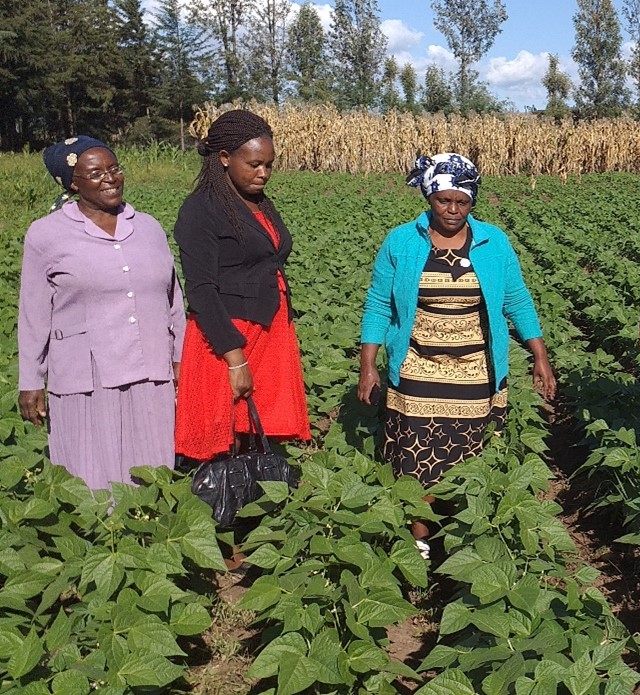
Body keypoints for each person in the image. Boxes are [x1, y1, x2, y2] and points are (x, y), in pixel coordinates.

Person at [358, 153, 556, 553]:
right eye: (443, 201)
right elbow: (379, 304)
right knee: (415, 458)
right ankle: (419, 545)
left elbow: (516, 300)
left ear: (473, 202)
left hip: (474, 369)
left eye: (462, 202)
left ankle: (462, 543)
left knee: (467, 458)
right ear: (428, 198)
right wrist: (368, 365)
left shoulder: (493, 242)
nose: (452, 210)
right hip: (416, 367)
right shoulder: (402, 241)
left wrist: (540, 355)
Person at [17, 137, 185, 489]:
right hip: (86, 374)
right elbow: (33, 314)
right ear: (73, 183)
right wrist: (31, 380)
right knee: (91, 468)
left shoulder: (149, 227)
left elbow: (173, 300)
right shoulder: (46, 235)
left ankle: (146, 534)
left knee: (152, 464)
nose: (110, 178)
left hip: (150, 369)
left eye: (114, 169)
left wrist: (181, 358)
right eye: (96, 173)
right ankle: (100, 538)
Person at [173, 109, 311, 462]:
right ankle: (223, 514)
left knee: (256, 435)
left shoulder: (258, 202)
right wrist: (235, 359)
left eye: (269, 164)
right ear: (224, 158)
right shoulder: (200, 209)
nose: (263, 173)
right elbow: (202, 290)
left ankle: (258, 510)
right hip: (229, 337)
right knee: (225, 441)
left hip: (269, 328)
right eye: (253, 164)